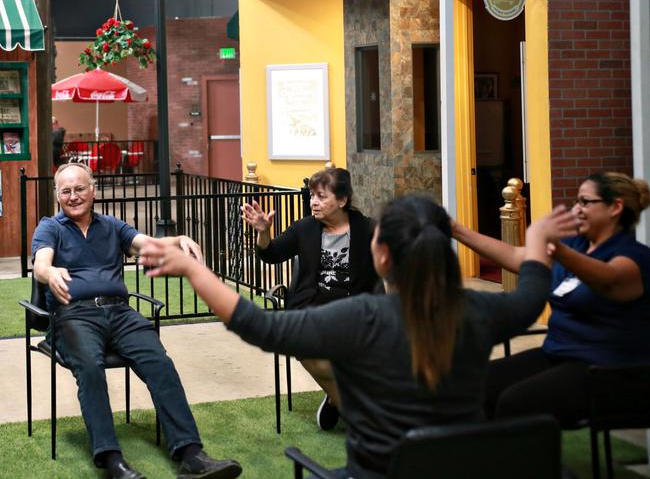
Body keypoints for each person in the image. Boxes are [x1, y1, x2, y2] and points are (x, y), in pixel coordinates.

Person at [140, 195, 576, 478]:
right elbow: (535, 290)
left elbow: (261, 326)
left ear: (381, 254)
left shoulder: (361, 318)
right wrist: (533, 236)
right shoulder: (483, 311)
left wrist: (196, 271)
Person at [32, 163, 242, 479]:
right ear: (58, 195)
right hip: (74, 314)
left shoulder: (112, 226)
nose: (74, 196)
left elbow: (148, 244)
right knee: (90, 367)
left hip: (120, 312)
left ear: (93, 189)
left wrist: (179, 239)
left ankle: (190, 455)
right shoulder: (50, 227)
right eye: (66, 191)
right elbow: (40, 264)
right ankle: (112, 460)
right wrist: (50, 273)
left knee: (159, 362)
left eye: (80, 188)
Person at [452, 172, 650, 426]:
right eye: (576, 202)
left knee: (516, 402)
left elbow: (609, 279)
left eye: (585, 202)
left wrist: (552, 246)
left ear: (615, 207)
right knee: (473, 386)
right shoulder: (576, 245)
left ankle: (527, 465)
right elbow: (515, 255)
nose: (576, 209)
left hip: (609, 370)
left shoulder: (634, 257)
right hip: (557, 353)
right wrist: (456, 230)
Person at [240, 167, 379, 430]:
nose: (313, 202)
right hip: (311, 309)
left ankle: (339, 399)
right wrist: (263, 231)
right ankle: (353, 411)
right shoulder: (304, 229)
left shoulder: (368, 229)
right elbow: (271, 254)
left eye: (321, 196)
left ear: (342, 200)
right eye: (312, 195)